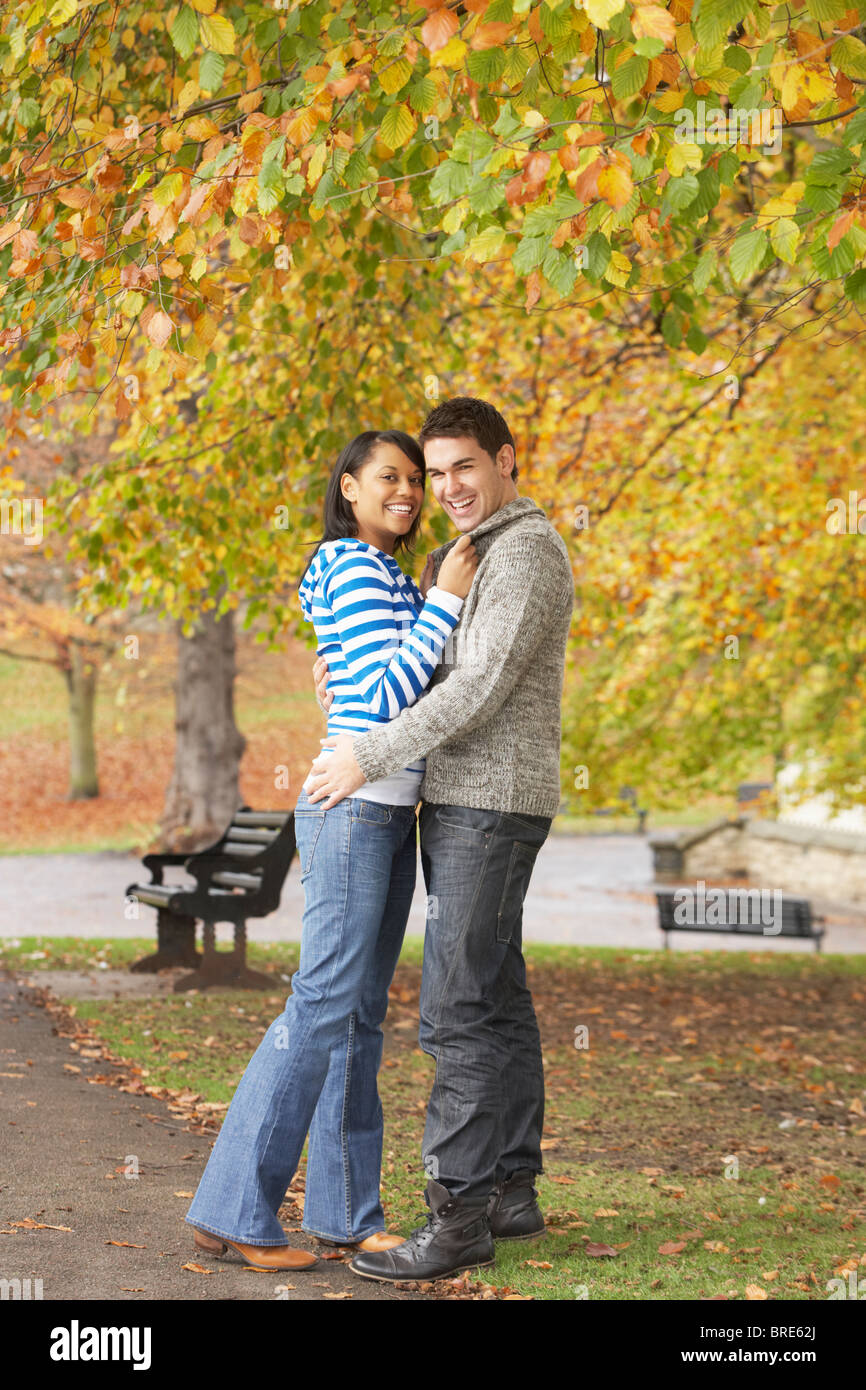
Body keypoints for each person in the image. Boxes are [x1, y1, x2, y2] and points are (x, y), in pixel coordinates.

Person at [184, 429, 477, 1270]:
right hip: (352, 810)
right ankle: (236, 1208)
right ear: (348, 487)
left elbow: (385, 676)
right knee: (320, 1007)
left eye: (415, 480)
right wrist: (448, 601)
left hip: (384, 812)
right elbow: (388, 696)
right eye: (390, 477)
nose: (411, 491)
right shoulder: (352, 565)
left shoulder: (383, 575)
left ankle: (346, 1216)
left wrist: (428, 605)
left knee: (353, 1019)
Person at [305, 396, 575, 1283]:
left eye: (464, 466)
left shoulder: (525, 553)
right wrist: (343, 694)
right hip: (466, 798)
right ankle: (510, 1189)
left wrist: (365, 753)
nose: (446, 487)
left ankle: (456, 1215)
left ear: (508, 459)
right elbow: (408, 663)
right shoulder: (469, 553)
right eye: (434, 471)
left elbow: (475, 689)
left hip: (490, 804)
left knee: (458, 1005)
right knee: (496, 990)